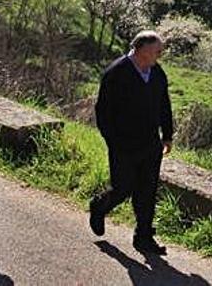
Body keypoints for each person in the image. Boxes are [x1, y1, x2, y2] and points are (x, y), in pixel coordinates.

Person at [89, 31, 173, 255]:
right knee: (123, 187)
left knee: (147, 190)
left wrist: (167, 135)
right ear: (142, 48)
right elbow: (103, 112)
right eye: (157, 50)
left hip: (150, 143)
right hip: (123, 145)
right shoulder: (116, 73)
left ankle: (143, 237)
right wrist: (113, 142)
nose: (160, 54)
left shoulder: (157, 73)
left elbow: (164, 103)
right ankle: (100, 206)